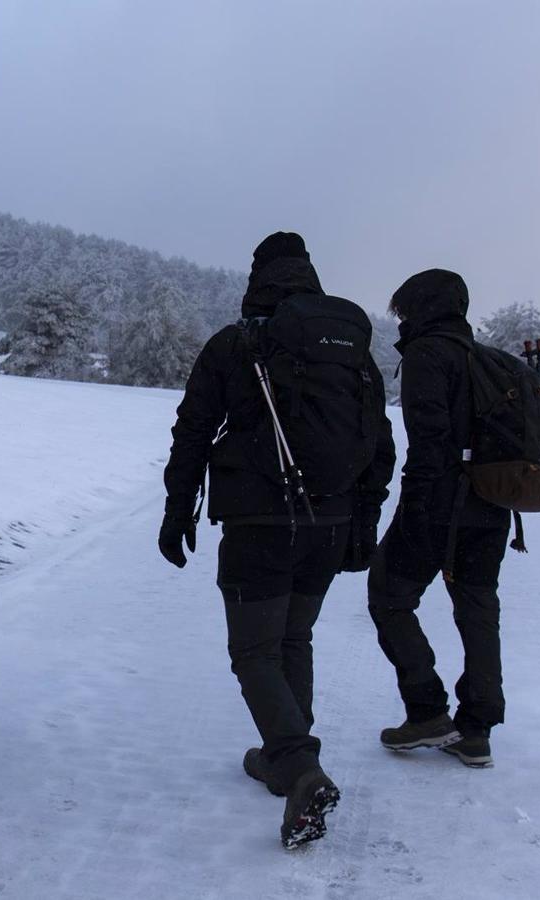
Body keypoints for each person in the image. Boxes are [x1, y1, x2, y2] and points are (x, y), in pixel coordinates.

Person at [159, 232, 395, 849]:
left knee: (254, 651)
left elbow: (193, 430)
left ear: (258, 278)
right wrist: (362, 518)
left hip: (259, 524)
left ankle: (296, 764)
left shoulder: (238, 343)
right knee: (294, 636)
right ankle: (283, 755)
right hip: (331, 523)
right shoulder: (352, 356)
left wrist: (177, 506)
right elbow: (380, 441)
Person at [367, 268, 510, 769]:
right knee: (477, 611)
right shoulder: (485, 359)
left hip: (438, 506)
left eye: (404, 309)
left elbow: (429, 442)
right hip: (492, 507)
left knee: (388, 597)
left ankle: (427, 710)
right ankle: (477, 729)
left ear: (422, 307)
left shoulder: (430, 354)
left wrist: (413, 509)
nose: (401, 319)